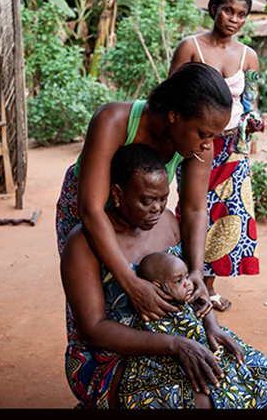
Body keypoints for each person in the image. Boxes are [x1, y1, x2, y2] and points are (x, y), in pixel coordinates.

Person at [61, 143, 267, 408]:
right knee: (199, 402)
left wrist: (211, 324)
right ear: (117, 193)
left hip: (182, 333)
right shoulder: (82, 243)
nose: (157, 208)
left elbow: (190, 284)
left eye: (163, 198)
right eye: (147, 200)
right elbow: (93, 329)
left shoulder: (167, 222)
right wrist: (173, 345)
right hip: (113, 354)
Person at [58, 62, 232, 325]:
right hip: (87, 215)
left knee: (141, 303)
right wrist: (129, 282)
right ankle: (93, 364)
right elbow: (91, 209)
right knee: (93, 304)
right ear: (175, 115)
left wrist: (196, 271)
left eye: (214, 136)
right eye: (204, 134)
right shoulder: (113, 121)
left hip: (135, 218)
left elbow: (195, 209)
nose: (208, 144)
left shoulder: (198, 144)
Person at [170, 0, 266, 311]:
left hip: (233, 147)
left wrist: (255, 119)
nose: (234, 19)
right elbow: (171, 96)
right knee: (193, 210)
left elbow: (252, 103)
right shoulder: (190, 48)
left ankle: (207, 288)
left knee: (228, 215)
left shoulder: (248, 56)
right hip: (197, 143)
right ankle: (182, 280)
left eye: (242, 14)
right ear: (214, 9)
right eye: (228, 10)